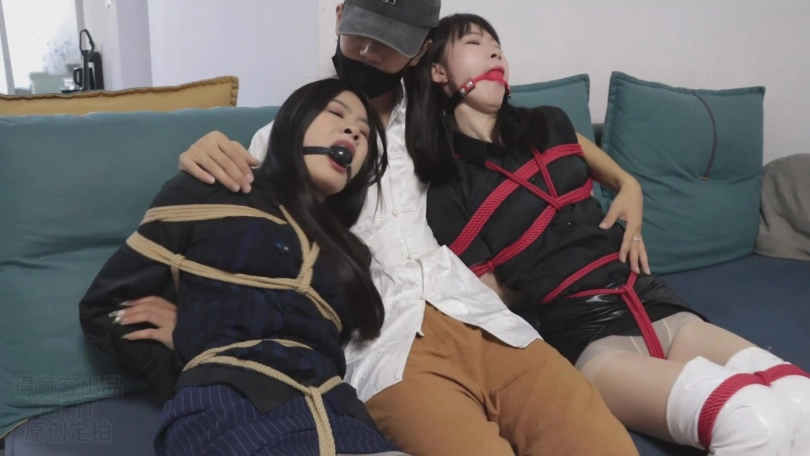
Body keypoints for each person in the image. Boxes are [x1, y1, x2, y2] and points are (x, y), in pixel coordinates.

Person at [113, 1, 642, 454]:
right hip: (385, 349)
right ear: (339, 15)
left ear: (420, 51)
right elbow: (234, 246)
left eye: (388, 44)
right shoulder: (281, 139)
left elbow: (536, 130)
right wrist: (199, 325)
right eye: (360, 32)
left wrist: (625, 180)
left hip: (485, 318)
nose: (367, 52)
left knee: (601, 443)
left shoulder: (438, 117)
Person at [406, 13, 810, 455]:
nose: (495, 51)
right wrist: (542, 264)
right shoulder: (445, 185)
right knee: (752, 418)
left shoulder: (548, 124)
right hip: (586, 334)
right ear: (438, 71)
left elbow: (612, 173)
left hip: (653, 299)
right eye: (474, 42)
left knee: (801, 399)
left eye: (497, 44)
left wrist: (630, 187)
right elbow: (486, 297)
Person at [79, 78, 409, 456]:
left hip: (343, 422)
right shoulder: (209, 192)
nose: (353, 131)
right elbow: (103, 308)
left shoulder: (350, 255)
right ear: (293, 121)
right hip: (228, 414)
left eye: (364, 133)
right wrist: (193, 357)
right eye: (336, 113)